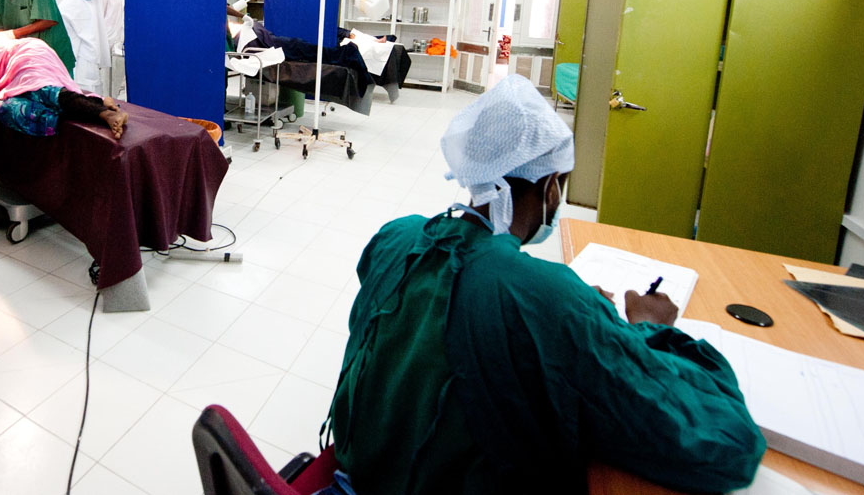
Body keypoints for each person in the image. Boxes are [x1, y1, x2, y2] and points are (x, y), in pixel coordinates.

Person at [321, 75, 764, 495]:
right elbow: (724, 446)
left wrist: (571, 314)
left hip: (353, 476)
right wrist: (650, 328)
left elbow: (439, 311)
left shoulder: (398, 237)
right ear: (551, 186)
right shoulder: (547, 297)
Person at [0, 37, 128, 139]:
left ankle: (105, 113)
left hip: (29, 56)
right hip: (37, 53)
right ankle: (101, 105)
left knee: (46, 91)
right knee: (49, 93)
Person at [58, 0, 110, 94]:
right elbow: (63, 15)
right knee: (81, 81)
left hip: (93, 51)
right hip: (80, 51)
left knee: (94, 82)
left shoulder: (95, 4)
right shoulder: (71, 5)